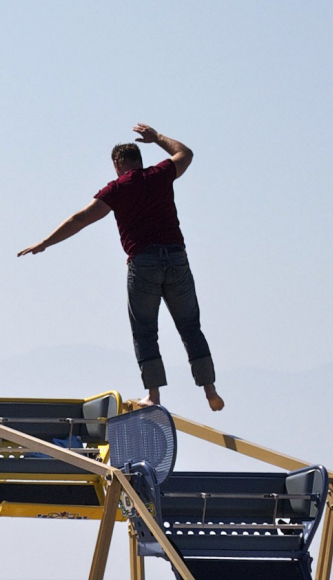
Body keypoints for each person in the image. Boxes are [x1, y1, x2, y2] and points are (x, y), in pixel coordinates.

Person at [18, 124, 223, 412]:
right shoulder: (160, 174)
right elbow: (185, 154)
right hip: (177, 258)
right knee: (190, 326)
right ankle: (210, 389)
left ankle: (154, 395)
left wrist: (45, 242)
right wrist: (157, 138)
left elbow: (80, 219)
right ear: (139, 160)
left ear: (117, 165)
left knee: (145, 330)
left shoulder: (117, 189)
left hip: (143, 263)